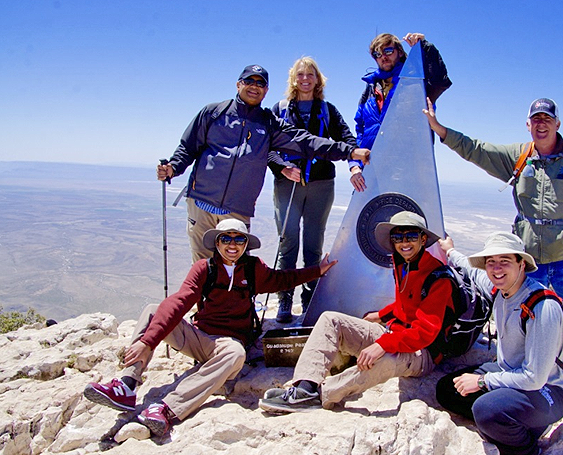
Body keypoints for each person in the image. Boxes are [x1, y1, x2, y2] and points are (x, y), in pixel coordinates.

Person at [423, 97, 563, 388]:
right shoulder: (519, 157)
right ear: (528, 125)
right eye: (536, 119)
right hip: (530, 260)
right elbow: (477, 150)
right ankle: (526, 373)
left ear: (557, 124)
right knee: (525, 318)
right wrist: (441, 130)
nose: (541, 124)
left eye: (547, 119)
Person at [83, 219, 337, 436]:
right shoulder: (205, 268)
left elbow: (282, 279)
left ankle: (167, 408)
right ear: (217, 242)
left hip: (229, 346)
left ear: (246, 244)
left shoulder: (253, 268)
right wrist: (148, 342)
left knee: (235, 353)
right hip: (200, 338)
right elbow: (180, 301)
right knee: (153, 310)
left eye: (239, 239)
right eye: (226, 238)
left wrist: (318, 270)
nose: (232, 245)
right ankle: (127, 384)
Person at [157, 64, 371, 262]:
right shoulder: (214, 113)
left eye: (260, 83)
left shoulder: (268, 123)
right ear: (238, 84)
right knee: (202, 266)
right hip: (201, 204)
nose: (254, 86)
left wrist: (350, 152)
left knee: (236, 266)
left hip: (237, 208)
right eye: (249, 81)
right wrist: (173, 168)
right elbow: (188, 147)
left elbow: (306, 142)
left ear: (266, 90)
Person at [258, 211, 453, 413]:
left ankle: (323, 395)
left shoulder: (438, 277)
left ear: (423, 239)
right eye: (398, 237)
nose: (404, 242)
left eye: (411, 236)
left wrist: (382, 345)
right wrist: (381, 315)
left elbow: (425, 333)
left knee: (384, 359)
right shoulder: (403, 262)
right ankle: (304, 388)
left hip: (423, 352)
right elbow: (408, 302)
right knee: (331, 320)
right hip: (396, 334)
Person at [435, 232, 563, 455]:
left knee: (486, 409)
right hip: (510, 372)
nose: (497, 268)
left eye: (505, 261)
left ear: (521, 264)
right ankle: (513, 422)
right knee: (448, 389)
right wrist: (450, 251)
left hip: (549, 389)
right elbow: (472, 271)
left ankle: (527, 449)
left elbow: (534, 378)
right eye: (491, 262)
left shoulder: (541, 306)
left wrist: (482, 381)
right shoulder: (501, 290)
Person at [267, 57, 357, 323]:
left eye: (310, 74)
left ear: (318, 79)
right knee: (287, 242)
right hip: (288, 184)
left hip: (321, 184)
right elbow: (266, 146)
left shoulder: (328, 110)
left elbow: (347, 138)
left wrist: (354, 164)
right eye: (300, 74)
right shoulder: (280, 109)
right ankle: (285, 299)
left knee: (313, 244)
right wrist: (282, 168)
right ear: (293, 79)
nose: (305, 79)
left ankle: (309, 299)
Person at [349, 32, 451, 192]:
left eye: (388, 51)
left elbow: (439, 81)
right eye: (377, 54)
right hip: (371, 172)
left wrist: (425, 47)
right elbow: (360, 130)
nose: (383, 57)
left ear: (400, 52)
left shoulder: (415, 84)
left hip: (407, 173)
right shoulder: (370, 89)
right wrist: (355, 165)